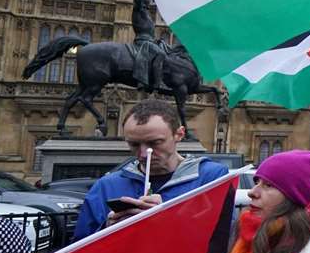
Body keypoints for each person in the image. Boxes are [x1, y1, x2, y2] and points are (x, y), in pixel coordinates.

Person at [73, 99, 229, 239]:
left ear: (179, 134)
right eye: (134, 144)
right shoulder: (107, 186)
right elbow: (77, 249)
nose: (143, 154)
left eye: (155, 143)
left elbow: (222, 241)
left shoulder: (211, 178)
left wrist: (169, 218)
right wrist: (107, 229)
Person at [130, 0, 168, 93]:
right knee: (161, 54)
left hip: (150, 41)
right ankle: (158, 83)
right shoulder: (138, 10)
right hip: (143, 42)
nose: (150, 3)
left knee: (167, 51)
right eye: (147, 1)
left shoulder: (146, 14)